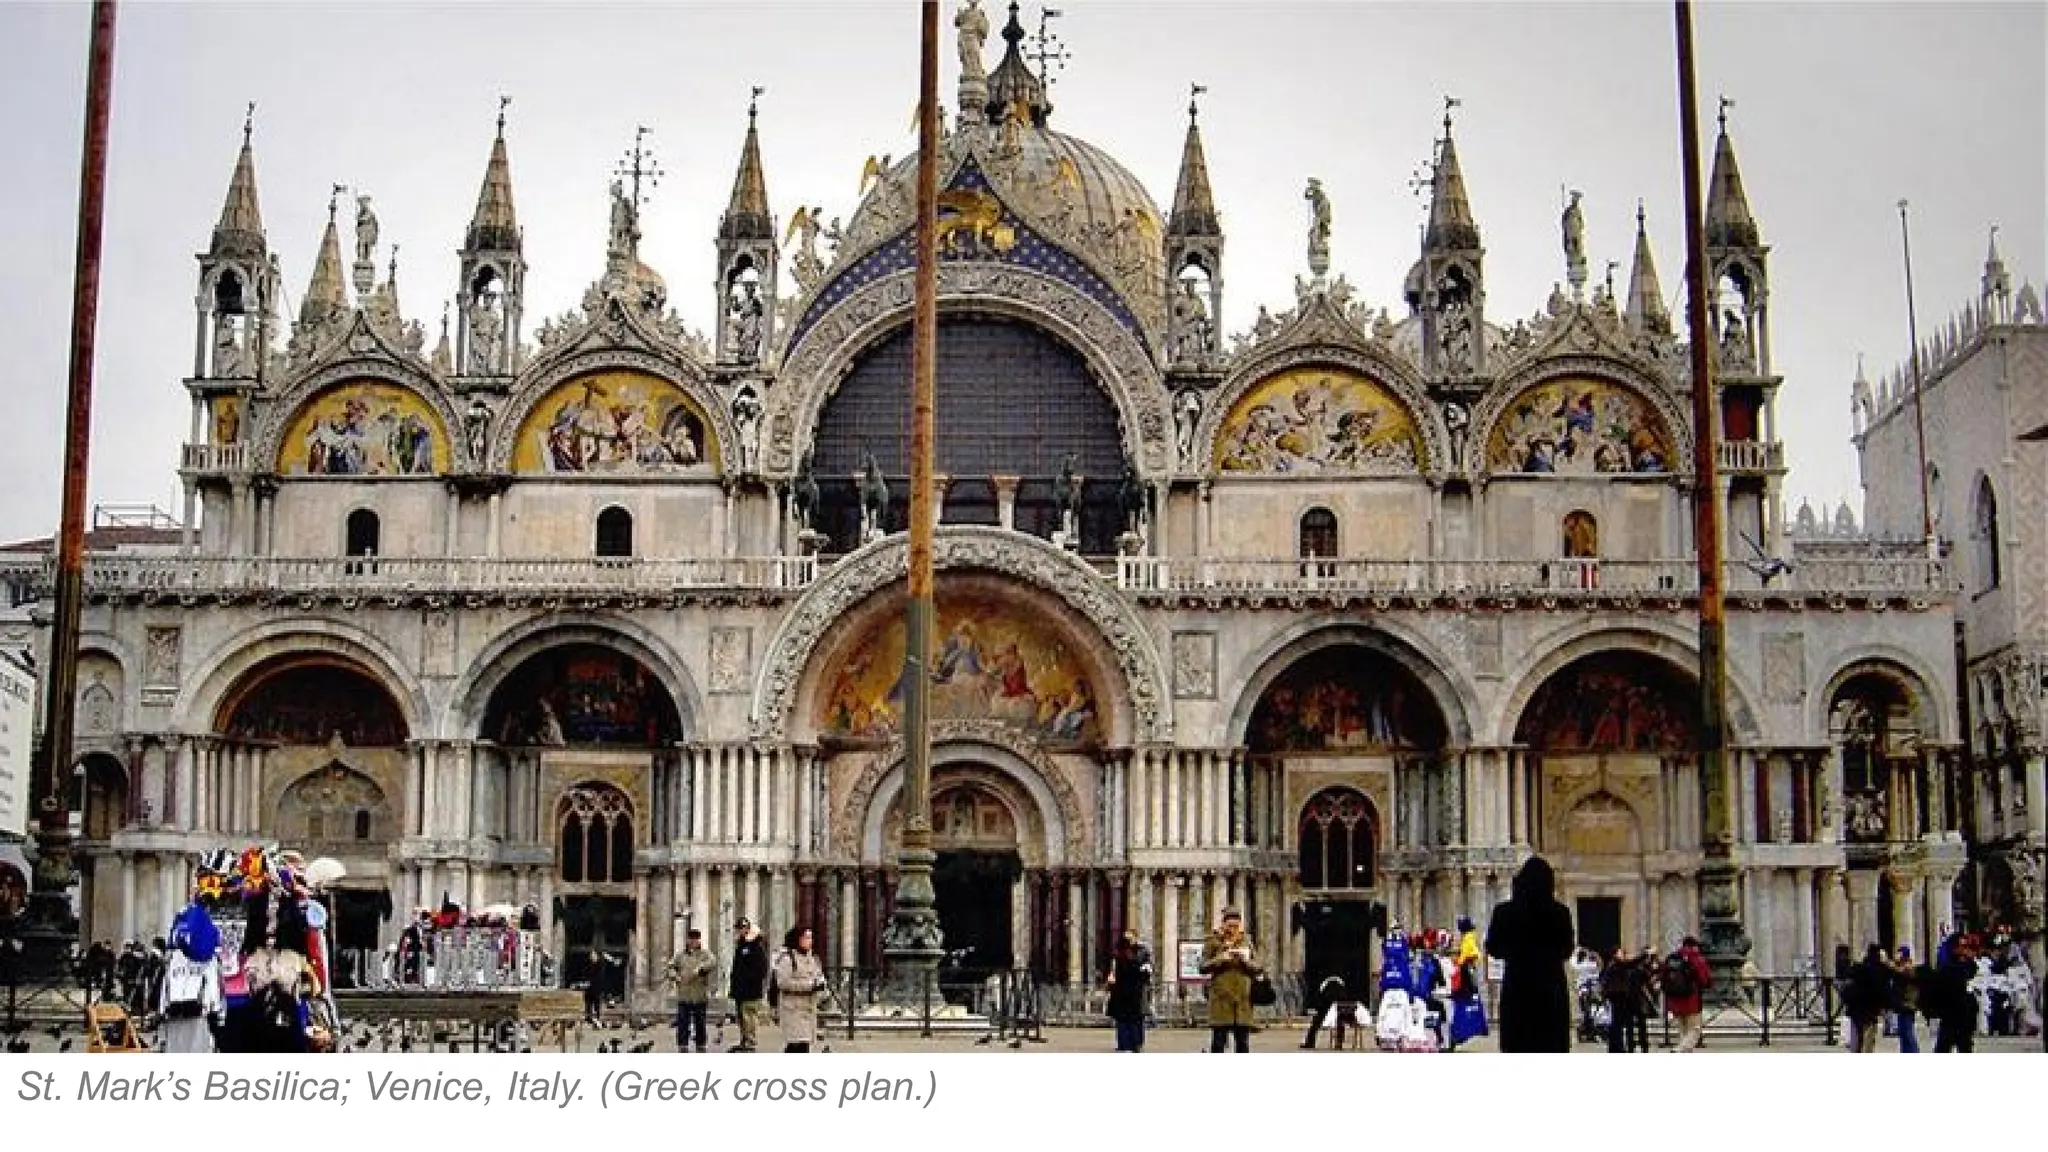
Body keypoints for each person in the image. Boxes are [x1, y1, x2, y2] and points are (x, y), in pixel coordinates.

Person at [1482, 855, 1574, 1052]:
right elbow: (1567, 949)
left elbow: (1493, 947)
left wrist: (1515, 952)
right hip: (1551, 988)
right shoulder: (1560, 913)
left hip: (1518, 986)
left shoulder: (1504, 912)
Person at [161, 896, 223, 1054]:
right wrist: (215, 1008)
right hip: (197, 1008)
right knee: (197, 1046)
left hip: (175, 1007)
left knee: (176, 1046)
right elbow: (212, 981)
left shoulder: (174, 955)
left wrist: (163, 1007)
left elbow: (166, 982)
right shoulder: (207, 952)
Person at [1200, 908, 1261, 1053]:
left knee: (1242, 1043)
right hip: (1221, 1000)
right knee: (1218, 1042)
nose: (1233, 930)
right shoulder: (1212, 941)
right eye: (1230, 926)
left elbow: (1258, 967)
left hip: (1242, 1000)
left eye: (1236, 926)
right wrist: (1220, 958)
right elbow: (1202, 967)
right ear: (1223, 924)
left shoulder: (1246, 941)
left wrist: (1246, 961)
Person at [770, 926, 828, 1053]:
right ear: (798, 939)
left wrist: (821, 987)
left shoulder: (813, 959)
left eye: (811, 938)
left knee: (803, 1045)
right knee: (797, 1044)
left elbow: (818, 976)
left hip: (809, 1009)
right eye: (806, 937)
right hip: (793, 1010)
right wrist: (810, 986)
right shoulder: (787, 959)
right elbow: (783, 983)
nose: (809, 941)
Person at [1662, 936, 1713, 1052]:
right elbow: (1704, 978)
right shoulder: (1696, 958)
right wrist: (1707, 984)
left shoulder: (1672, 957)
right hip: (1691, 998)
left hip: (1675, 998)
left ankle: (1685, 1050)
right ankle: (1680, 1048)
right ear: (1694, 946)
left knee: (1682, 1027)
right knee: (1695, 1028)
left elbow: (1664, 975)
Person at [668, 928, 716, 1053]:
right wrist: (675, 976)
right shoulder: (680, 955)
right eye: (691, 939)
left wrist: (700, 969)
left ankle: (701, 1044)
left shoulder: (705, 954)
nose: (693, 941)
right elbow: (671, 966)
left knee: (700, 1021)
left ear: (699, 940)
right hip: (684, 994)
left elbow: (712, 962)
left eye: (696, 939)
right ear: (687, 940)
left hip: (699, 994)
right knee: (682, 1021)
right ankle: (682, 1044)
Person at [1106, 931, 1153, 1052]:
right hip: (1121, 991)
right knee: (1123, 1019)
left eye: (1129, 939)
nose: (1127, 941)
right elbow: (1113, 971)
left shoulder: (1142, 952)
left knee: (1135, 1020)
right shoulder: (1119, 953)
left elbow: (1146, 971)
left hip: (1136, 991)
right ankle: (1123, 1044)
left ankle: (1136, 1043)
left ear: (1135, 938)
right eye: (1126, 939)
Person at [1931, 934, 1979, 1053]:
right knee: (1943, 1048)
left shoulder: (1969, 965)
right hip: (1950, 1016)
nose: (1964, 949)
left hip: (1964, 1016)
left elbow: (1972, 973)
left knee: (1965, 1048)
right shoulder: (1947, 966)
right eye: (1961, 946)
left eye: (1966, 946)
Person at [728, 917, 769, 1052]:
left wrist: (749, 980)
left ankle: (750, 1042)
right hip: (740, 990)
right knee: (742, 1017)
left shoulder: (755, 946)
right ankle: (744, 1040)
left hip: (751, 990)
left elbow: (761, 969)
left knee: (749, 1017)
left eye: (742, 928)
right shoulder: (742, 945)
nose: (739, 931)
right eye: (738, 928)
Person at [1891, 946, 1921, 1053]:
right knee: (1903, 1034)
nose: (1896, 956)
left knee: (1908, 1034)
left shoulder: (1908, 967)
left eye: (1898, 954)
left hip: (1907, 1005)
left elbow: (1902, 973)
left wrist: (1889, 964)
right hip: (1902, 1005)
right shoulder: (1901, 967)